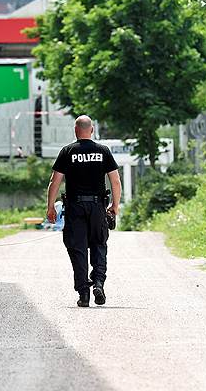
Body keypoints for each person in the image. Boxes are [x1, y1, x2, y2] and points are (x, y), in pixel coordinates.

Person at [46, 115, 121, 307]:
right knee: (99, 244)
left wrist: (50, 207)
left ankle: (84, 294)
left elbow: (55, 181)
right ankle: (98, 283)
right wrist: (115, 205)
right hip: (97, 207)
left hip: (75, 207)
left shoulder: (67, 151)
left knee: (77, 248)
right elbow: (115, 181)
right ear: (92, 130)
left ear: (75, 131)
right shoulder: (103, 151)